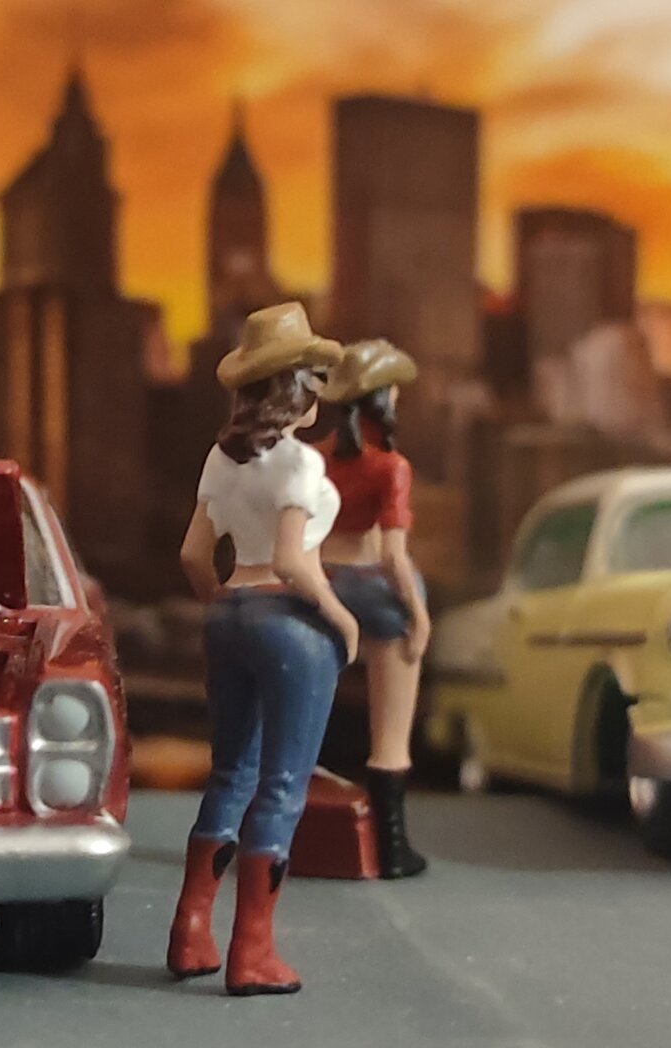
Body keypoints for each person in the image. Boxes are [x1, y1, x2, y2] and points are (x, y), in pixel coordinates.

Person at [166, 302, 359, 997]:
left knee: (230, 775)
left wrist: (223, 603)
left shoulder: (222, 458)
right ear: (295, 389)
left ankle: (190, 933)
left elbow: (194, 555)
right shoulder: (301, 461)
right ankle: (253, 953)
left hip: (231, 613)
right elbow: (292, 559)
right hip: (287, 621)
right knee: (281, 786)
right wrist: (340, 618)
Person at [315, 339, 430, 878]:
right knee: (390, 733)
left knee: (302, 720)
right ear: (384, 399)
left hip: (320, 583)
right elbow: (393, 557)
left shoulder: (313, 459)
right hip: (375, 588)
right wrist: (419, 615)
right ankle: (392, 848)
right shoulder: (392, 467)